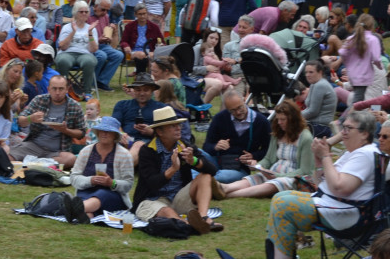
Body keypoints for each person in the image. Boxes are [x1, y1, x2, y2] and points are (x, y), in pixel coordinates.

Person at [264, 109, 380, 259]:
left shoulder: (365, 154)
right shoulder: (352, 153)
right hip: (333, 204)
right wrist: (319, 160)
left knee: (283, 204)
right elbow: (321, 185)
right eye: (343, 128)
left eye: (349, 128)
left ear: (364, 134)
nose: (343, 133)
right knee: (281, 197)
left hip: (345, 214)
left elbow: (340, 187)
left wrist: (326, 156)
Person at [132, 106, 222, 234]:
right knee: (167, 212)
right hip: (154, 199)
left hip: (179, 197)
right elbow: (152, 183)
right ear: (160, 132)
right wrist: (173, 169)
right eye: (172, 126)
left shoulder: (184, 145)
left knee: (205, 177)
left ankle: (203, 218)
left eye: (178, 125)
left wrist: (193, 161)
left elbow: (212, 170)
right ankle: (187, 226)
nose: (178, 128)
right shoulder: (147, 151)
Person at [223, 101, 315, 198]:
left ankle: (229, 195)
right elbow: (269, 159)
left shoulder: (305, 138)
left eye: (283, 119)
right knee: (253, 179)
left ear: (293, 120)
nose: (279, 123)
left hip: (292, 178)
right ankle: (225, 188)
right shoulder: (278, 133)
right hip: (272, 173)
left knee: (273, 184)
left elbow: (305, 170)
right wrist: (257, 166)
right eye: (278, 119)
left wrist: (278, 176)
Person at [69, 117, 135, 220]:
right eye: (102, 131)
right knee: (88, 213)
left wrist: (111, 183)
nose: (104, 134)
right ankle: (82, 215)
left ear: (115, 135)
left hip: (112, 196)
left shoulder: (124, 155)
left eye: (109, 132)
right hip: (86, 193)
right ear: (98, 132)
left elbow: (128, 184)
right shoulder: (86, 151)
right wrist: (90, 180)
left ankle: (71, 209)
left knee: (102, 194)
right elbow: (73, 178)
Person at [9, 75, 83, 166]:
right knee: (8, 157)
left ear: (67, 89)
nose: (57, 92)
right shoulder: (39, 100)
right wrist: (31, 118)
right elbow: (20, 121)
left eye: (61, 89)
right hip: (33, 145)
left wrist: (65, 130)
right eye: (54, 89)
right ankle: (41, 164)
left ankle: (30, 163)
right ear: (48, 89)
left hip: (57, 151)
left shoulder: (75, 106)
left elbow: (81, 133)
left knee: (71, 159)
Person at [202, 91, 270, 184]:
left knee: (221, 177)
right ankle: (205, 179)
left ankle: (203, 179)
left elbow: (267, 149)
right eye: (232, 110)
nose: (238, 112)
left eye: (240, 107)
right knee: (196, 153)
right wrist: (215, 147)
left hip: (240, 168)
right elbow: (206, 146)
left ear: (244, 100)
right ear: (227, 109)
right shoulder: (220, 118)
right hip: (217, 161)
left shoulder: (262, 122)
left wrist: (253, 156)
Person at [332, 12, 383, 105]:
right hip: (365, 76)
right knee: (357, 101)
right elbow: (376, 58)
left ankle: (349, 116)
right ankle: (347, 118)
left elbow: (342, 52)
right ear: (372, 26)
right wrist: (380, 67)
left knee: (357, 99)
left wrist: (348, 64)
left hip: (352, 75)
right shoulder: (372, 39)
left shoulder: (351, 38)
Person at [55, 0, 100, 95]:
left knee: (90, 61)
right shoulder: (67, 27)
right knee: (62, 61)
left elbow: (93, 50)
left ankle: (87, 92)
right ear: (75, 13)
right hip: (67, 53)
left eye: (86, 12)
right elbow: (62, 47)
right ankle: (64, 91)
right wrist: (73, 32)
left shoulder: (91, 28)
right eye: (81, 11)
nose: (84, 13)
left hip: (85, 54)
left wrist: (90, 33)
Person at [87, 0, 124, 91]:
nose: (105, 13)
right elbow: (84, 35)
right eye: (103, 9)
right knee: (102, 55)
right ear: (95, 6)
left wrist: (111, 33)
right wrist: (99, 39)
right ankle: (90, 81)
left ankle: (102, 82)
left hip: (102, 45)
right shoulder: (87, 15)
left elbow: (111, 40)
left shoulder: (106, 17)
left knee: (119, 55)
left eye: (107, 10)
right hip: (90, 46)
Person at [120, 3, 162, 74]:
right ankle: (141, 77)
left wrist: (159, 46)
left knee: (151, 55)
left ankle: (150, 78)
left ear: (147, 14)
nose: (142, 16)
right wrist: (126, 46)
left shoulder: (154, 27)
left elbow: (162, 41)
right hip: (130, 53)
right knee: (142, 55)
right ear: (135, 15)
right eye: (140, 14)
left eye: (144, 14)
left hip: (149, 51)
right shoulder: (129, 26)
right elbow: (123, 41)